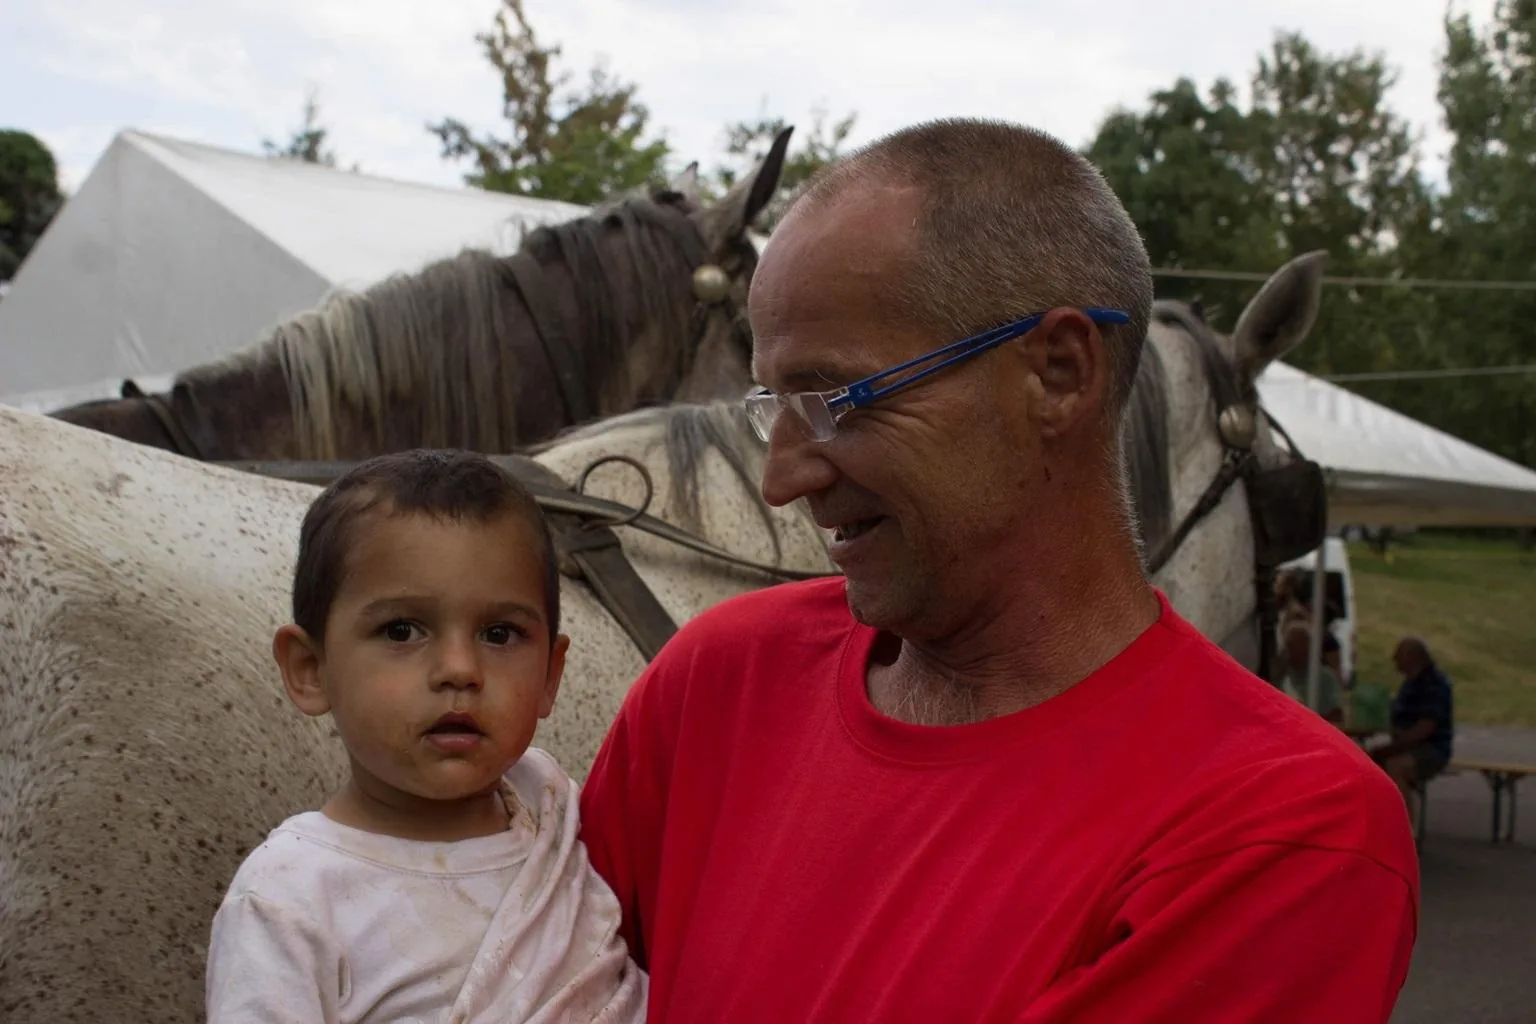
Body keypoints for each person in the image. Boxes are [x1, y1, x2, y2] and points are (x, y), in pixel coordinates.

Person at [578, 119, 1418, 1022]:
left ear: (1057, 374)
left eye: (833, 402)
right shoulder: (718, 684)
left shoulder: (1281, 832)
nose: (783, 479)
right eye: (772, 406)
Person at [206, 450, 645, 1023]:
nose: (459, 669)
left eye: (500, 633)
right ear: (310, 670)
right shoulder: (289, 899)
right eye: (401, 630)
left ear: (550, 676)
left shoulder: (554, 813)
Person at [1372, 636, 1454, 804]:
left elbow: (1426, 727)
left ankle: (1405, 822)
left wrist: (1396, 745)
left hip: (1431, 749)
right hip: (1405, 745)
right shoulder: (1410, 684)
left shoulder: (1434, 685)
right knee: (1365, 762)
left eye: (1398, 655)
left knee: (1396, 766)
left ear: (1412, 658)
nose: (1394, 659)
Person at [1278, 622, 1345, 725]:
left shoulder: (1326, 678)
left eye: (1301, 645)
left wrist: (1311, 722)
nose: (1297, 650)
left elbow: (1337, 714)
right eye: (1292, 645)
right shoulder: (1281, 679)